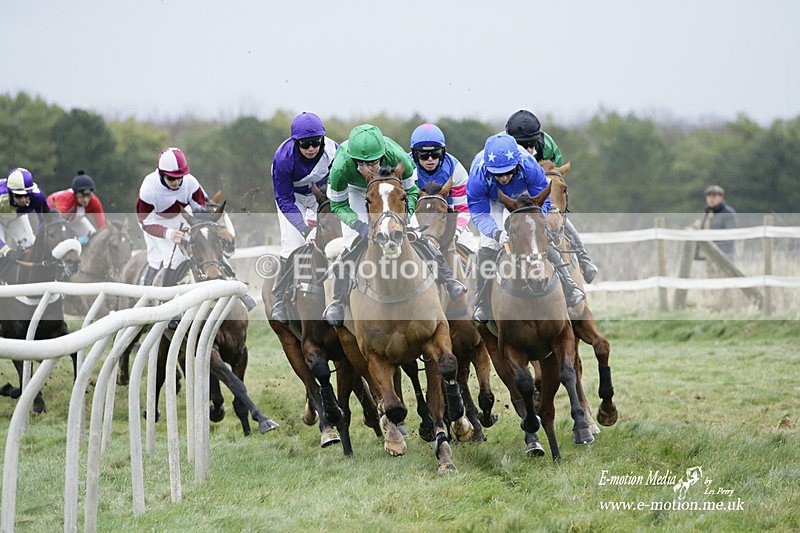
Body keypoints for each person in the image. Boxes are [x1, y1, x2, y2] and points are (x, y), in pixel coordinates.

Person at [322, 124, 467, 327]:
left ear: (382, 155)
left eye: (373, 162)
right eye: (363, 163)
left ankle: (449, 280)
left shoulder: (400, 158)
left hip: (391, 188)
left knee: (421, 237)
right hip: (356, 192)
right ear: (353, 160)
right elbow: (337, 204)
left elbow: (413, 192)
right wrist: (358, 225)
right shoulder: (340, 168)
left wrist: (404, 220)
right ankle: (338, 301)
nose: (370, 168)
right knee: (350, 245)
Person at [467, 133, 585, 324]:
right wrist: (497, 234)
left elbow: (542, 198)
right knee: (488, 246)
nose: (504, 178)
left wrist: (538, 221)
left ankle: (569, 286)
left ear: (517, 165)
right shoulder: (478, 177)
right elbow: (480, 214)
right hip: (493, 202)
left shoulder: (529, 165)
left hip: (524, 194)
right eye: (498, 174)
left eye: (508, 172)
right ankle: (482, 302)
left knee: (537, 239)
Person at [505, 109, 598, 283]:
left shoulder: (547, 146)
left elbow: (555, 179)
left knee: (558, 218)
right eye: (522, 145)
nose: (528, 149)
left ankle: (584, 259)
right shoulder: (502, 149)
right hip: (514, 192)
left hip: (540, 188)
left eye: (531, 144)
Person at [269, 112, 339, 324]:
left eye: (315, 143)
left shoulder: (333, 150)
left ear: (323, 140)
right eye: (305, 144)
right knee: (294, 245)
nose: (311, 149)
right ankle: (280, 299)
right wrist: (303, 228)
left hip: (323, 196)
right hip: (294, 199)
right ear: (295, 142)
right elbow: (284, 199)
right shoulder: (283, 159)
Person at [408, 122, 477, 251]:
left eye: (435, 154)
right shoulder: (407, 168)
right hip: (414, 217)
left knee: (472, 248)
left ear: (443, 152)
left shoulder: (456, 169)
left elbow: (462, 208)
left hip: (447, 216)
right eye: (424, 155)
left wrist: (455, 233)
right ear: (415, 155)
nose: (430, 159)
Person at [0, 167, 54, 282]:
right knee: (2, 253)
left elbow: (44, 221)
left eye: (26, 195)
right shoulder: (1, 196)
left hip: (16, 218)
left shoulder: (37, 196)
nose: (24, 200)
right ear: (10, 193)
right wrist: (6, 251)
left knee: (31, 247)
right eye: (19, 196)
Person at [47, 170, 107, 245]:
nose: (85, 200)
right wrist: (76, 239)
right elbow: (60, 226)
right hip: (54, 218)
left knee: (93, 237)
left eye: (88, 195)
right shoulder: (66, 200)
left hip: (72, 219)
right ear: (75, 194)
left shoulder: (94, 201)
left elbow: (102, 227)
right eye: (82, 196)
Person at [697, 185, 738, 261]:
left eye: (714, 196)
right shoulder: (707, 213)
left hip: (724, 255)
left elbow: (730, 235)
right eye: (709, 196)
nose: (711, 199)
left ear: (721, 198)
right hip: (708, 255)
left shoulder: (728, 213)